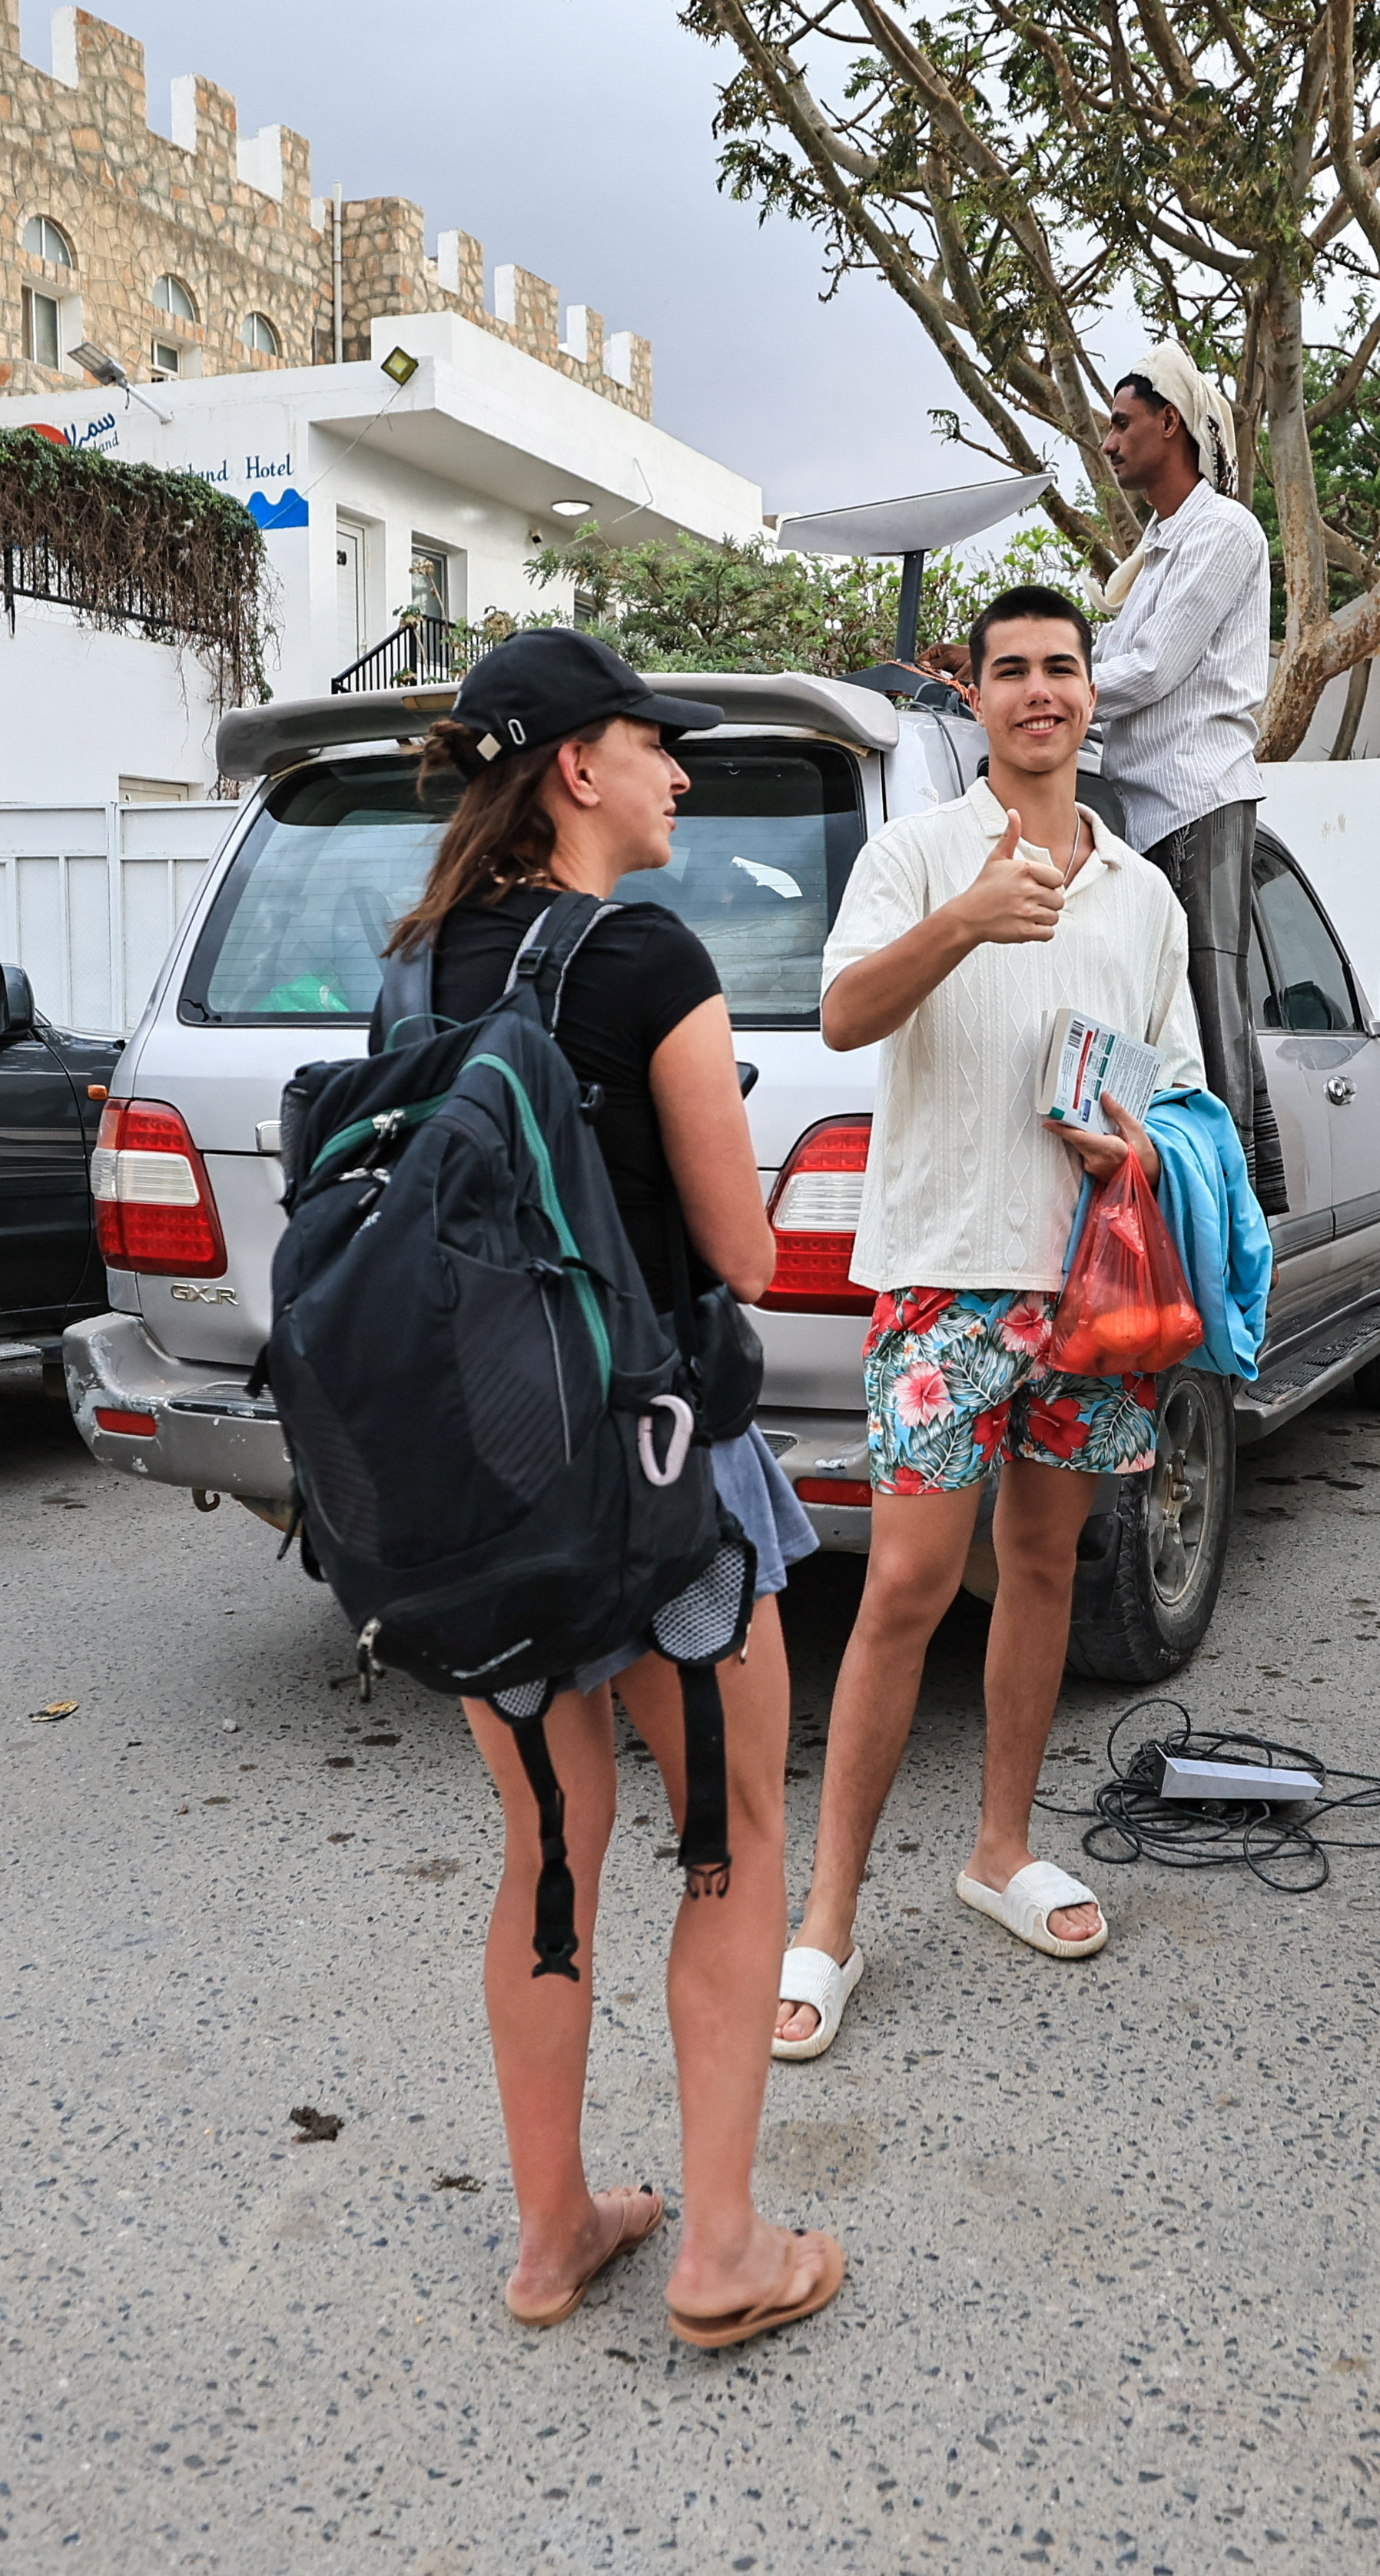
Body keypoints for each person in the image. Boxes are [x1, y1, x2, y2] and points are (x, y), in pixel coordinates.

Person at [385, 628, 844, 2348]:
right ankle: (720, 2248)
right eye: (660, 746)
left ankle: (549, 2232)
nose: (680, 774)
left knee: (546, 1850)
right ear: (577, 766)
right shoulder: (643, 953)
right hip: (656, 1478)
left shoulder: (416, 965)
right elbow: (739, 1248)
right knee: (724, 1845)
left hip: (472, 1480)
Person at [772, 583, 1202, 2062]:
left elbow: (1179, 1092)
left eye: (1062, 669)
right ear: (976, 697)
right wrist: (961, 923)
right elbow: (842, 1019)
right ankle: (826, 1914)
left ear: (1092, 694)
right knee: (902, 1588)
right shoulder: (917, 854)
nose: (1039, 692)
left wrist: (1132, 1140)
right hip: (947, 1278)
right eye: (1010, 671)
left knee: (1044, 1565)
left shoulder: (1146, 895)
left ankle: (999, 1847)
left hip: (1086, 1287)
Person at [1088, 343, 1277, 1209]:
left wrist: (1044, 688)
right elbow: (1115, 668)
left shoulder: (1223, 531)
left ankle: (1223, 1214)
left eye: (1122, 424)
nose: (1109, 441)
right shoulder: (1159, 549)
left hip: (1198, 800)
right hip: (1142, 813)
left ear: (1171, 423)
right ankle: (1170, 1204)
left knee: (1206, 1012)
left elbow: (1156, 669)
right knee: (1157, 1020)